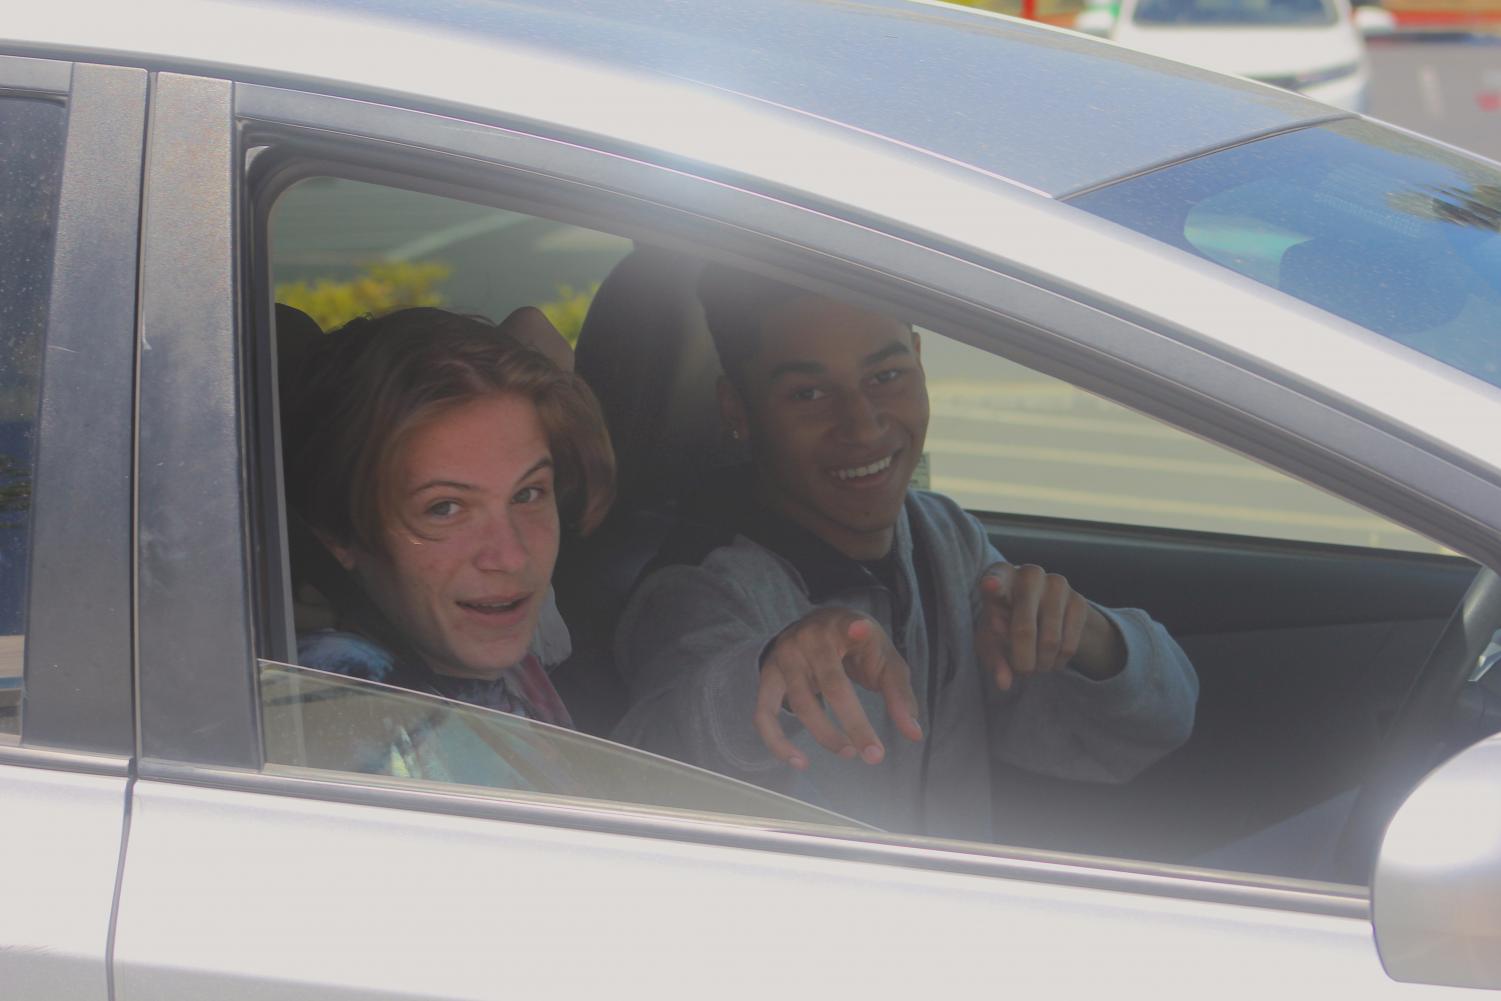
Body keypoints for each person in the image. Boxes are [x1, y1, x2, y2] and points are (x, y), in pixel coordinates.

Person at [612, 268, 1198, 841]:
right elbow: (662, 758)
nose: (862, 424)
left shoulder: (944, 539)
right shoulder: (700, 588)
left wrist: (1089, 640)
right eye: (808, 394)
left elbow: (1144, 731)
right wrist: (772, 673)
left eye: (886, 375)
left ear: (919, 361)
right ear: (738, 410)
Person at [281, 306, 614, 727]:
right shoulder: (345, 697)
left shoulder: (477, 629)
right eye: (445, 509)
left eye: (527, 494)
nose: (512, 557)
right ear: (338, 535)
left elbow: (535, 328)